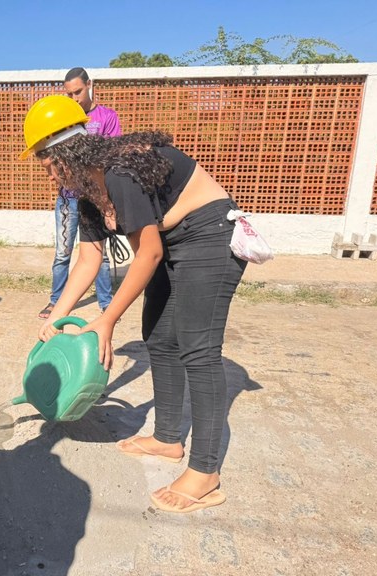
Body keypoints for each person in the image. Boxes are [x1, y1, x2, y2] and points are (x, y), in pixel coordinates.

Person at [21, 95, 247, 513]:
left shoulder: (120, 173)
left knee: (198, 349)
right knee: (159, 339)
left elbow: (148, 254)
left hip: (210, 235)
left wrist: (106, 320)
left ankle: (206, 472)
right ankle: (167, 439)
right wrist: (55, 314)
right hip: (173, 240)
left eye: (45, 162)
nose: (45, 171)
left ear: (63, 152)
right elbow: (89, 258)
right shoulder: (88, 190)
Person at [38, 67, 121, 320]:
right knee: (62, 252)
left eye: (78, 92)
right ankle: (57, 301)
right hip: (67, 197)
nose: (74, 98)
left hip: (95, 197)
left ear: (89, 85)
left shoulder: (107, 116)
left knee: (99, 254)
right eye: (69, 94)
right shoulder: (64, 117)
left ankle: (106, 302)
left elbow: (112, 154)